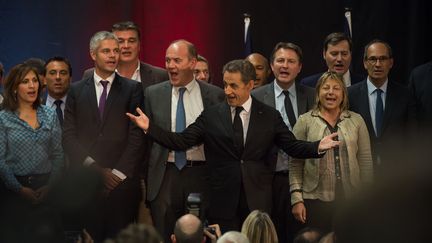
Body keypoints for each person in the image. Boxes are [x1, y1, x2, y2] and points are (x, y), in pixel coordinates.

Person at [127, 59, 340, 233]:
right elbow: (182, 141)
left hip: (257, 197)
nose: (227, 91)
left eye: (234, 86)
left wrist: (317, 146)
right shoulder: (212, 115)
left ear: (250, 85)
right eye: (226, 84)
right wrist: (150, 128)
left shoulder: (268, 115)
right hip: (222, 199)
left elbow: (291, 146)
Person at [62, 31, 144, 242]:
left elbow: (137, 138)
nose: (113, 55)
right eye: (106, 51)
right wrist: (97, 171)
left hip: (122, 186)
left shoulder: (133, 89)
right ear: (93, 54)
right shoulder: (76, 90)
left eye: (115, 51)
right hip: (86, 183)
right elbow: (69, 137)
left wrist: (116, 175)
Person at [143, 39, 224, 242]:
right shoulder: (153, 94)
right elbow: (146, 142)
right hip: (164, 176)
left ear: (193, 62)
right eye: (167, 60)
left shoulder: (214, 96)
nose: (170, 66)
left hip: (200, 174)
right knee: (163, 234)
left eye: (177, 60)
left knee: (199, 234)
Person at [290, 71, 373, 233]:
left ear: (343, 94)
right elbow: (295, 163)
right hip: (314, 200)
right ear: (318, 93)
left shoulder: (356, 120)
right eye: (326, 88)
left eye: (336, 88)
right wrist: (296, 199)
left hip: (351, 199)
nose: (330, 92)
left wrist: (367, 197)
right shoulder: (304, 121)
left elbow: (365, 160)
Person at [252, 42, 314, 243]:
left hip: (305, 180)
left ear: (300, 67)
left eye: (290, 61)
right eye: (280, 60)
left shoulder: (313, 96)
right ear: (271, 65)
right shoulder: (256, 97)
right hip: (269, 180)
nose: (284, 66)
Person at [0, 63, 64, 242]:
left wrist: (51, 186)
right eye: (25, 81)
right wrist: (20, 190)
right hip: (14, 192)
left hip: (47, 188)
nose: (32, 86)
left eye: (35, 81)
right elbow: (0, 160)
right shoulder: (3, 118)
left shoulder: (50, 114)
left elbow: (58, 154)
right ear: (14, 88)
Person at [348, 40, 416, 178]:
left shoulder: (405, 95)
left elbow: (412, 136)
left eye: (383, 59)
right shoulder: (350, 95)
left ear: (391, 63)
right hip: (360, 174)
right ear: (365, 63)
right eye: (373, 59)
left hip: (397, 174)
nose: (378, 64)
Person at [82, 21, 168, 91]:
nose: (126, 46)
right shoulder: (90, 74)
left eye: (131, 41)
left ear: (139, 45)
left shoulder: (159, 76)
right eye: (120, 41)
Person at [43, 56, 72, 126]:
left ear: (70, 79)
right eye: (52, 73)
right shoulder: (35, 110)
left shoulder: (80, 108)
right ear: (44, 80)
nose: (58, 77)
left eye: (63, 73)